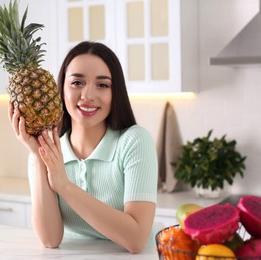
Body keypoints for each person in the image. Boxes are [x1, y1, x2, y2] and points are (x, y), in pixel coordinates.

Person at [8, 41, 158, 254]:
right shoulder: (44, 153)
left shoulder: (135, 141)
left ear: (116, 93)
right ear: (59, 89)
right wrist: (38, 156)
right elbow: (50, 240)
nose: (87, 95)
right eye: (77, 82)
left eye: (102, 85)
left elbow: (135, 239)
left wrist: (64, 186)